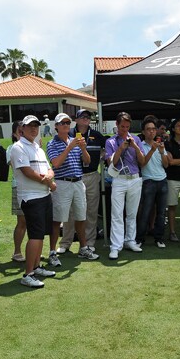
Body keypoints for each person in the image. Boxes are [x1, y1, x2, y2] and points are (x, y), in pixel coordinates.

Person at [9, 115, 57, 288]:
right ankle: (27, 274)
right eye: (30, 126)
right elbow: (27, 171)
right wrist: (48, 182)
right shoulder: (18, 147)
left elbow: (49, 168)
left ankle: (36, 267)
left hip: (44, 196)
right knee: (35, 235)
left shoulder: (38, 147)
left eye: (36, 126)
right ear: (22, 129)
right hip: (30, 197)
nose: (33, 129)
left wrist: (49, 177)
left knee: (41, 234)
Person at [46, 113, 99, 265]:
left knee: (81, 217)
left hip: (78, 182)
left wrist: (83, 148)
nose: (65, 125)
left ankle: (83, 248)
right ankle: (52, 252)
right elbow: (56, 163)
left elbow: (87, 161)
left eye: (67, 123)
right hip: (62, 183)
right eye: (62, 123)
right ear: (56, 126)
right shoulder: (52, 143)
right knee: (58, 219)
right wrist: (70, 147)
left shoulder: (75, 141)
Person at [58, 109, 106, 254]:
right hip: (74, 177)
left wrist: (104, 155)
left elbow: (107, 148)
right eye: (82, 116)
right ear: (76, 120)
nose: (86, 118)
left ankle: (89, 242)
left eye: (88, 117)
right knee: (70, 211)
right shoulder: (69, 134)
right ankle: (66, 242)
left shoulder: (97, 135)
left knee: (91, 211)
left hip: (92, 176)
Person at [105, 112, 146, 260]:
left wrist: (135, 146)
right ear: (117, 125)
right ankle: (116, 246)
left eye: (127, 127)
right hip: (119, 179)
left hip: (135, 178)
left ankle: (130, 240)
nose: (125, 130)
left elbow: (142, 161)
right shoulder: (110, 142)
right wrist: (121, 148)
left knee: (132, 213)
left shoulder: (136, 139)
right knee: (117, 214)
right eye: (122, 126)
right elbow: (111, 163)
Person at [136, 117, 169, 248]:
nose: (151, 131)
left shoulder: (160, 145)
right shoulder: (140, 146)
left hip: (162, 180)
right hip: (148, 181)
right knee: (145, 212)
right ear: (143, 132)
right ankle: (140, 238)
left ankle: (159, 238)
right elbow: (142, 163)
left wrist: (161, 152)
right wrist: (152, 150)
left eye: (153, 129)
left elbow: (166, 165)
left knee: (161, 213)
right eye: (148, 129)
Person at [6, 121, 26, 262]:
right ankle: (17, 252)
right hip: (19, 187)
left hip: (35, 187)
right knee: (22, 221)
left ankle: (33, 249)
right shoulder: (12, 148)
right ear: (14, 134)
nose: (23, 134)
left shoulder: (34, 147)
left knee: (33, 221)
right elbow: (16, 168)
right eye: (20, 132)